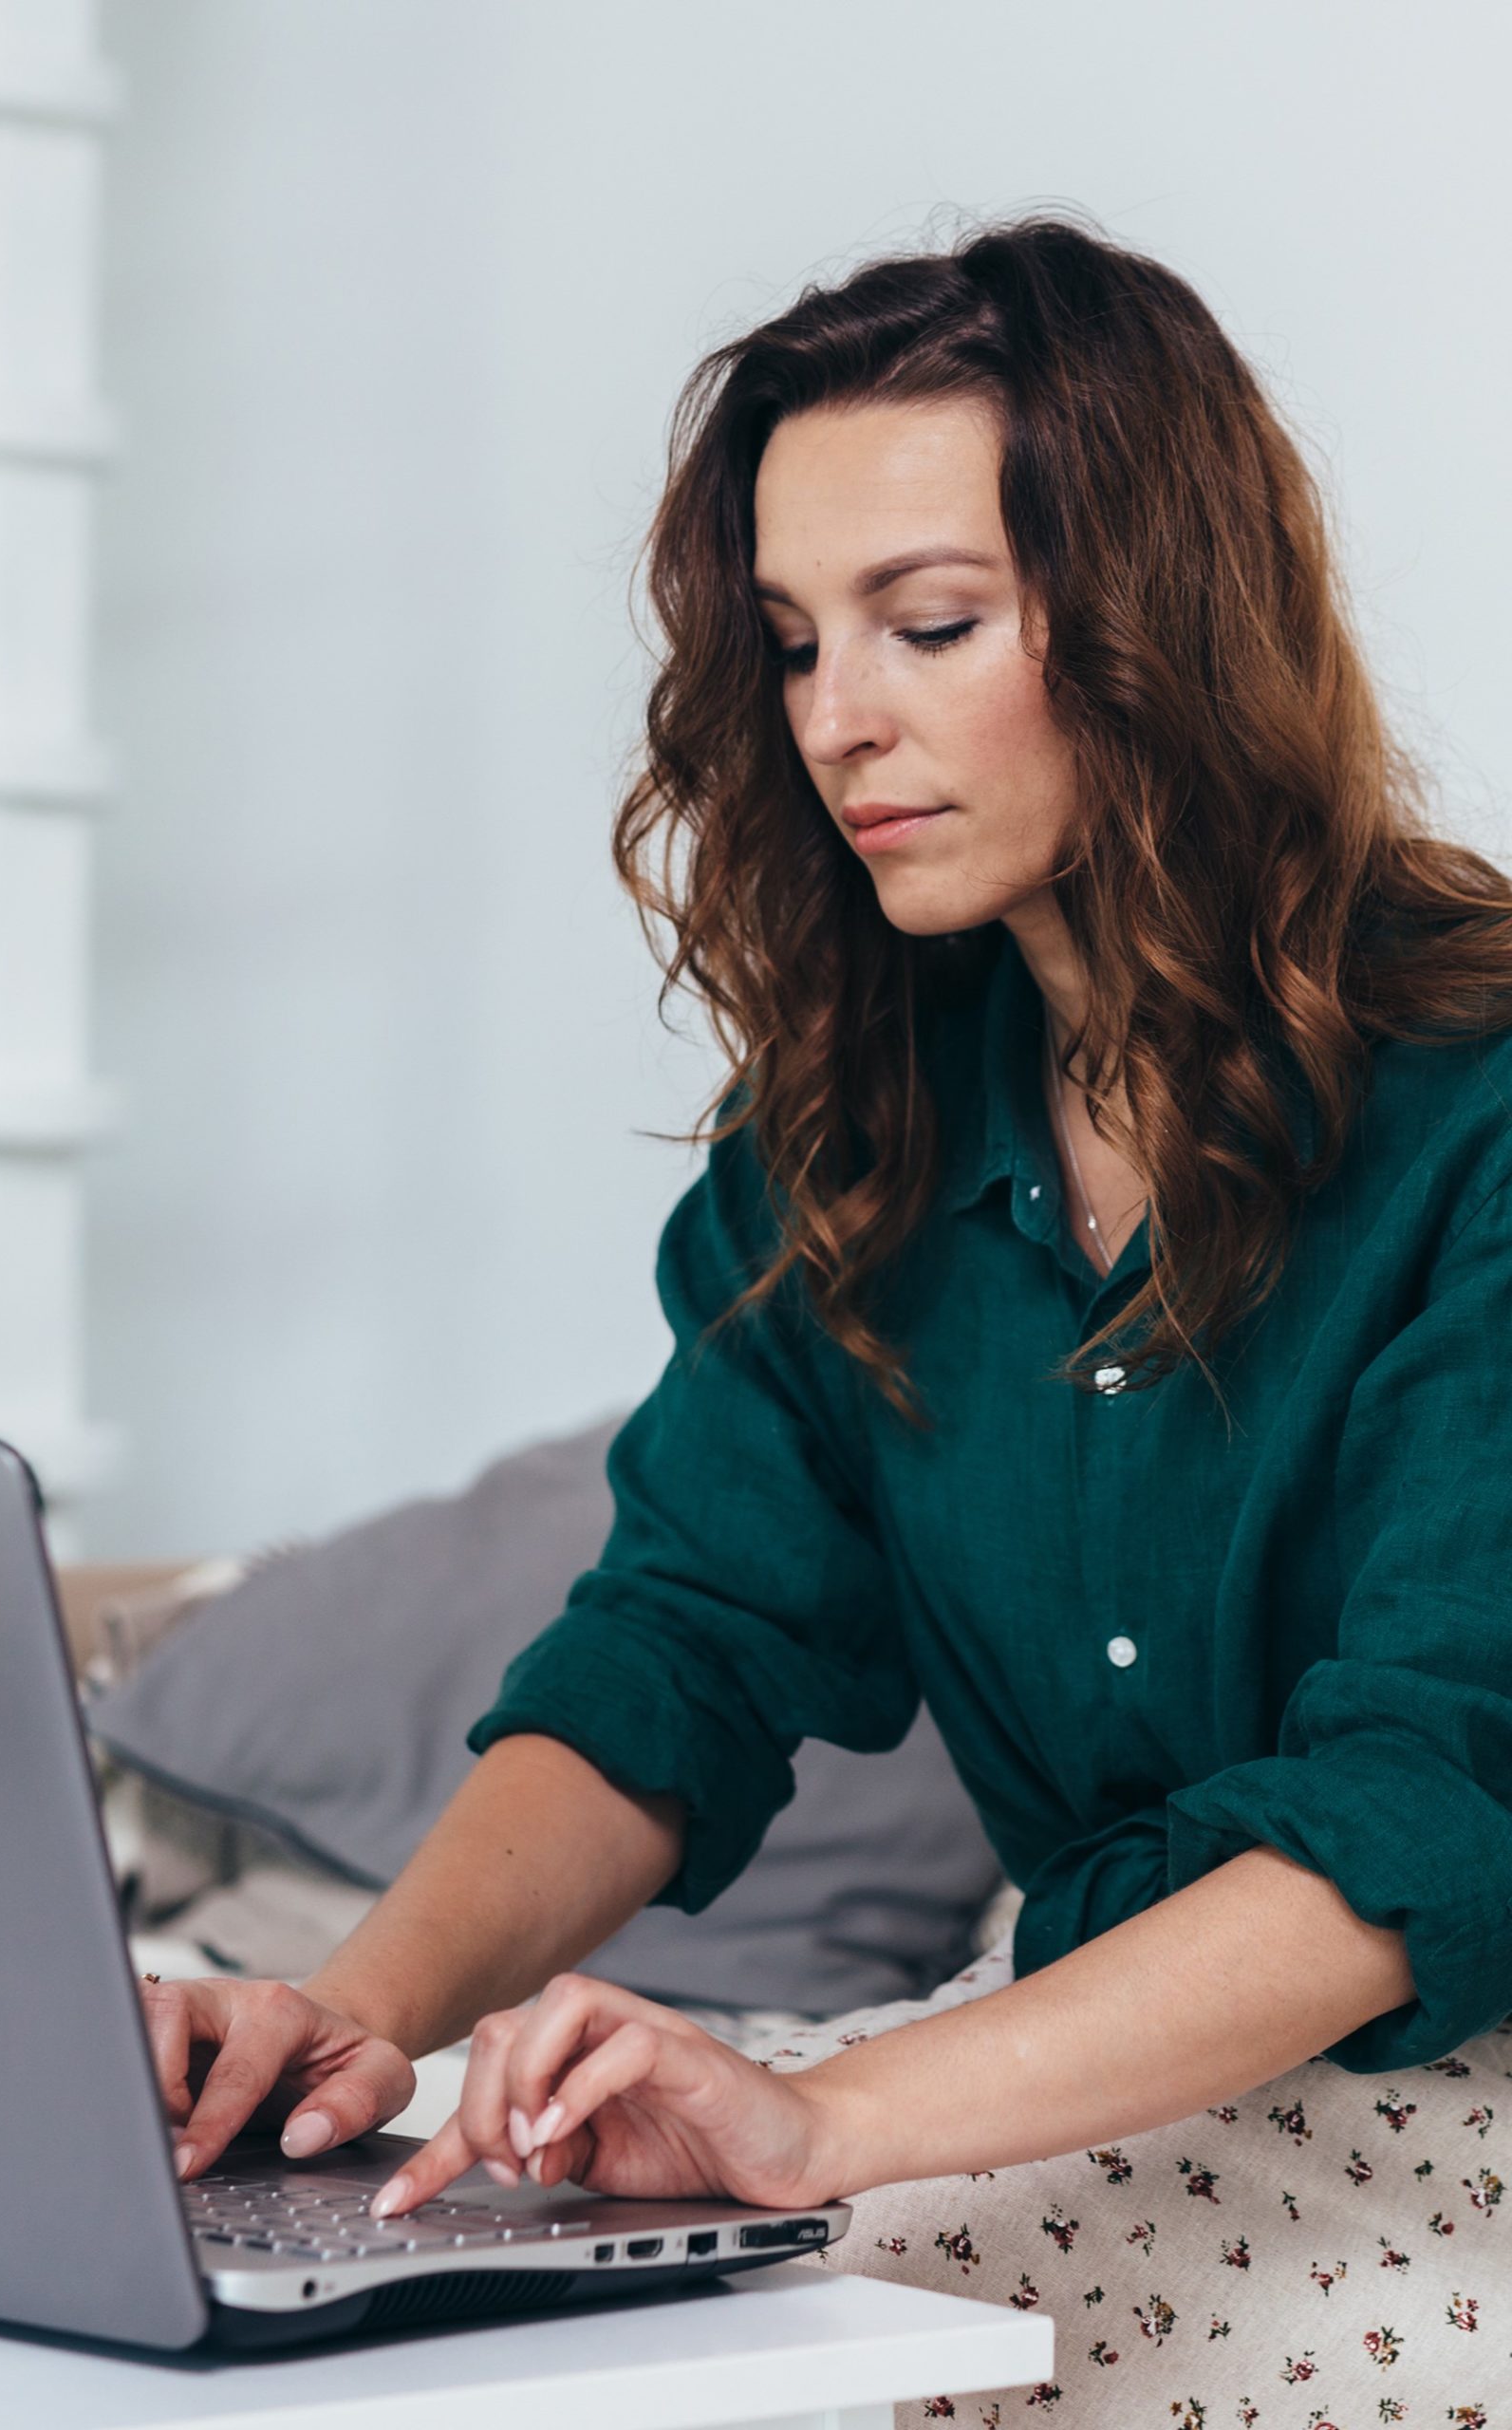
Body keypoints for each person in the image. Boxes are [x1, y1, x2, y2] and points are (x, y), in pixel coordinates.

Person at [140, 217, 1512, 2416]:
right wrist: (353, 2019)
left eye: (926, 623)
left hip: (1456, 2106)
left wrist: (825, 2118)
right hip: (1095, 2081)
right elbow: (683, 1642)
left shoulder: (1481, 1104)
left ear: (1162, 621)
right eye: (788, 642)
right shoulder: (847, 1138)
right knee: (429, 2272)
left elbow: (1424, 1799)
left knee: (706, 2331)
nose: (832, 720)